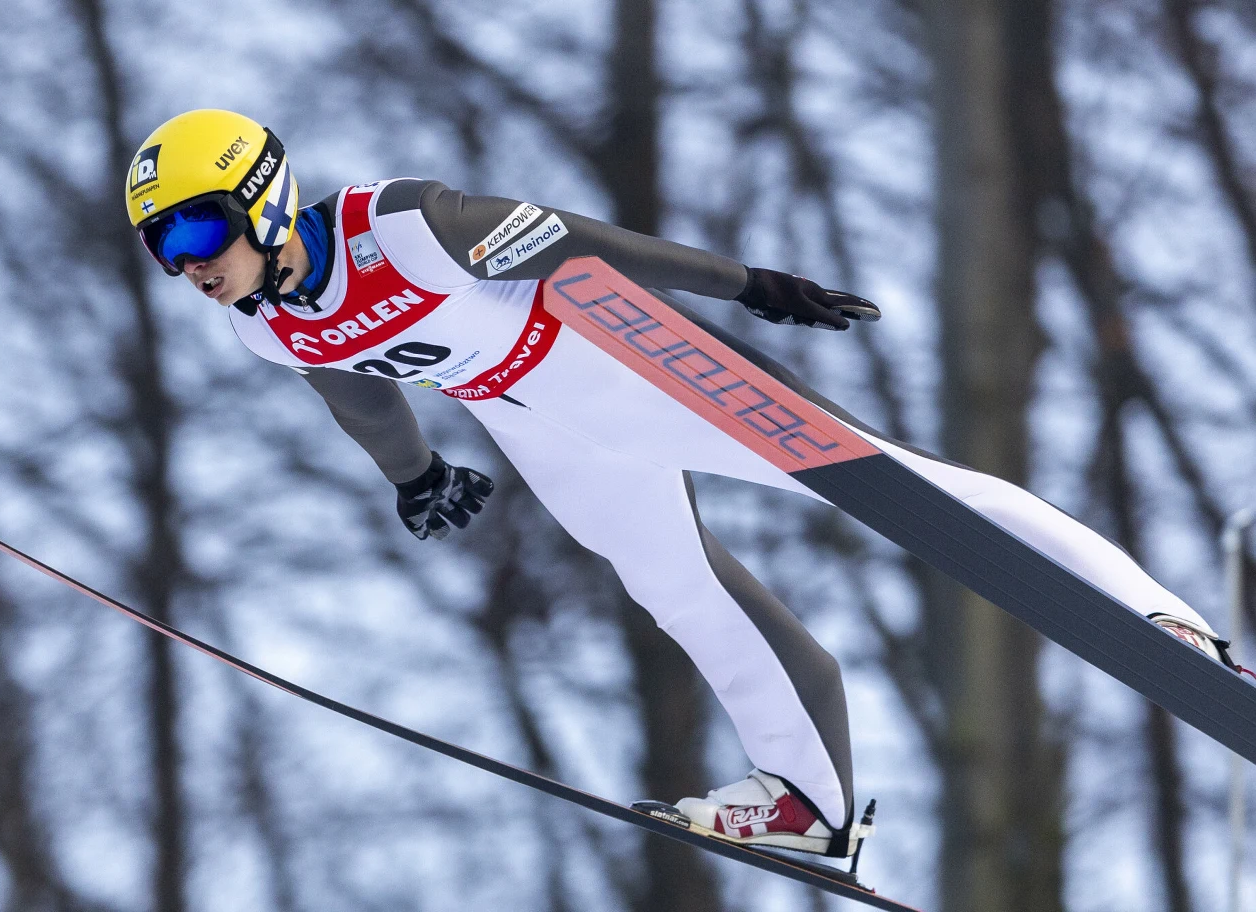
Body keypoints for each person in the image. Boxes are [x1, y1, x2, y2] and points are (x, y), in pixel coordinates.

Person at [125, 109, 1230, 857]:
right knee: (678, 590)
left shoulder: (407, 228)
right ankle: (808, 801)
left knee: (905, 487)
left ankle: (1157, 620)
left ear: (260, 199)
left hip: (626, 364)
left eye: (195, 227)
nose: (187, 262)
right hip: (537, 425)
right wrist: (413, 475)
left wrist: (748, 285)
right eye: (160, 246)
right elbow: (352, 387)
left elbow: (579, 241)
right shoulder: (264, 333)